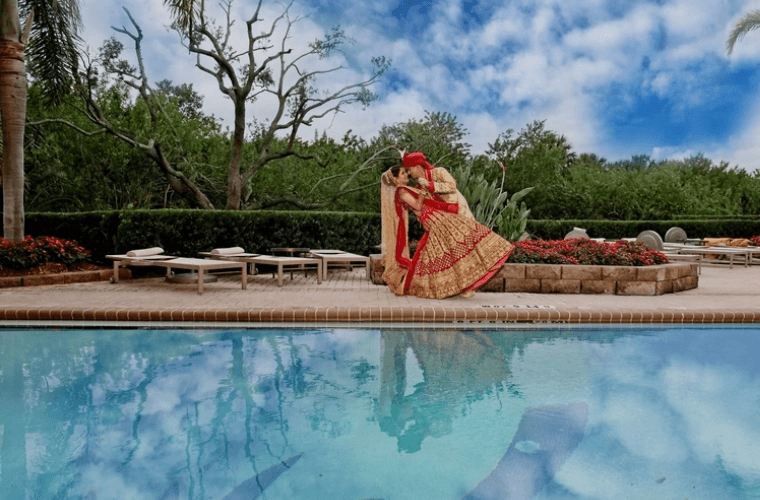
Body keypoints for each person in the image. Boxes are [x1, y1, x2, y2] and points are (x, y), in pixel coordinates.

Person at [380, 165, 514, 299]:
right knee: (462, 241)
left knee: (453, 248)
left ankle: (463, 286)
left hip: (436, 217)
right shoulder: (401, 192)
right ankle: (462, 286)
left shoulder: (407, 189)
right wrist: (423, 192)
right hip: (434, 219)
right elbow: (417, 206)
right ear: (396, 179)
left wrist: (426, 189)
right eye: (403, 173)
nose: (406, 175)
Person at [401, 151, 474, 219]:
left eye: (409, 169)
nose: (409, 173)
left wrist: (429, 185)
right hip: (444, 220)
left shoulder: (439, 172)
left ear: (417, 166)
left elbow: (452, 186)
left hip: (460, 213)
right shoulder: (419, 187)